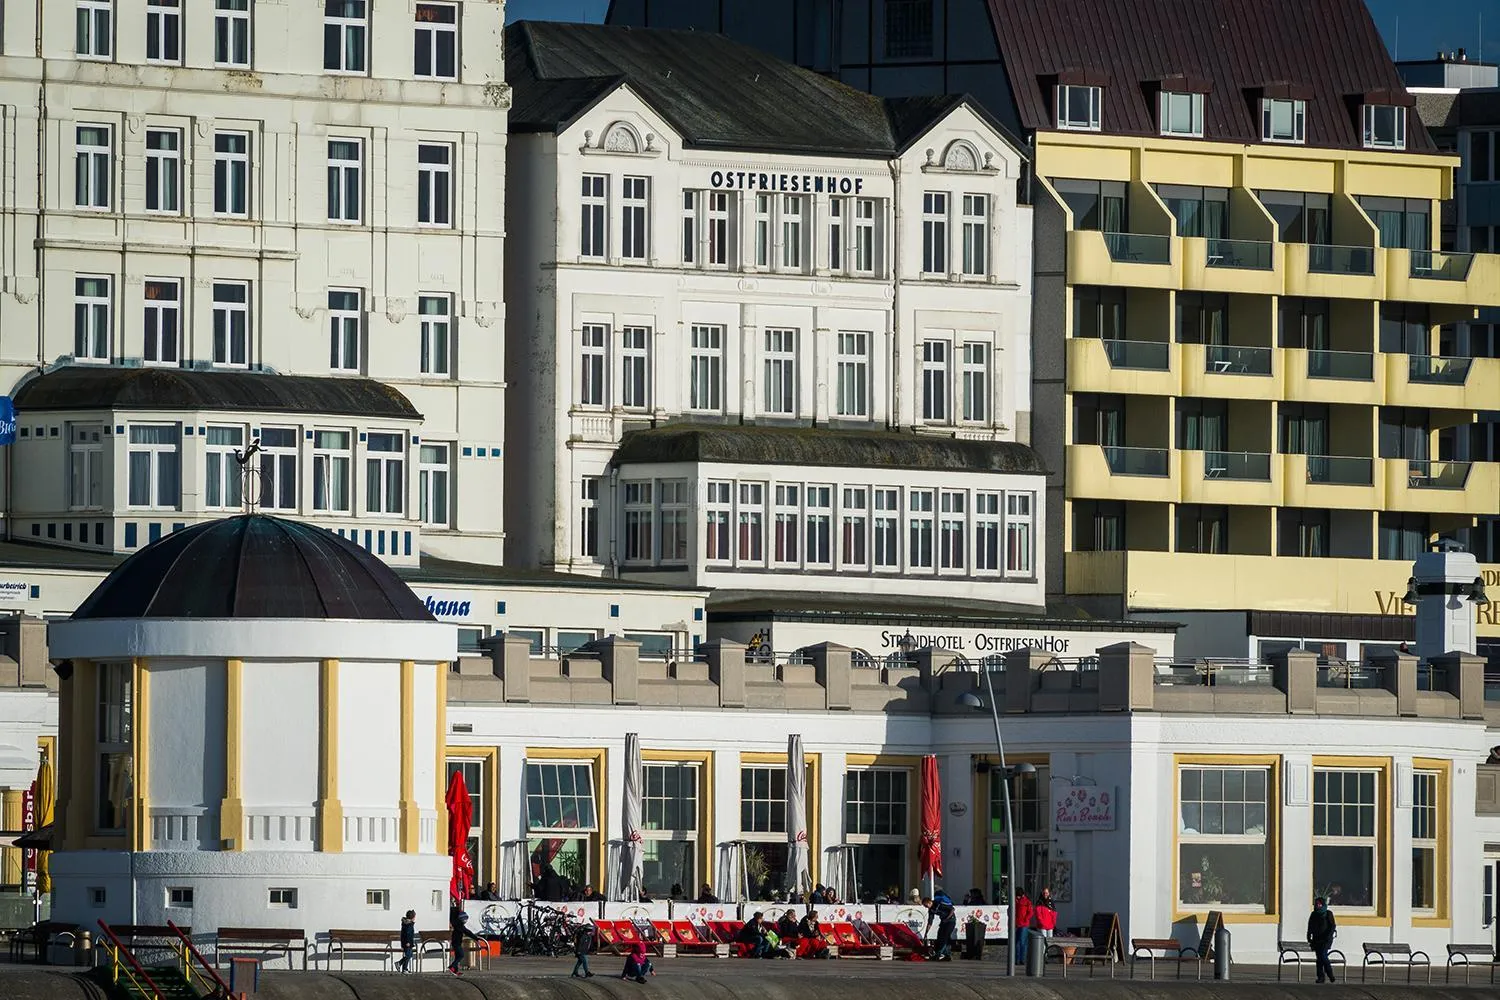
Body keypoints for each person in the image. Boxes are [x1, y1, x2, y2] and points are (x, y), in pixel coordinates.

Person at [1307, 896, 1338, 984]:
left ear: (1323, 904)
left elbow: (1332, 926)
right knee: (1319, 958)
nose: (1317, 906)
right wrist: (1309, 936)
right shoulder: (1313, 914)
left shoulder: (1328, 913)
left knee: (1323, 956)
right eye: (1316, 904)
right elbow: (1310, 926)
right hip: (1316, 939)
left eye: (1319, 904)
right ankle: (1320, 977)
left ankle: (1330, 973)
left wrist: (1329, 936)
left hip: (1326, 939)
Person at [447, 904, 481, 976]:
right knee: (461, 955)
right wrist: (476, 938)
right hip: (457, 943)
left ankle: (455, 970)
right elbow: (467, 932)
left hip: (455, 942)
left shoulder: (457, 924)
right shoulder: (460, 926)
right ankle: (452, 966)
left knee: (457, 956)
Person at [924, 891, 957, 961]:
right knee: (939, 936)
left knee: (945, 937)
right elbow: (930, 921)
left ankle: (939, 954)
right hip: (943, 922)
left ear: (930, 902)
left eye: (926, 906)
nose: (926, 907)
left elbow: (952, 909)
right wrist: (926, 932)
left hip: (951, 921)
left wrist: (947, 918)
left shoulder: (939, 904)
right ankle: (947, 955)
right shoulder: (931, 910)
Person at [1013, 889, 1034, 965]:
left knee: (1023, 942)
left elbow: (1030, 912)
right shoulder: (1015, 901)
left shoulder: (1026, 901)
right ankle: (1016, 959)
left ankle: (1022, 959)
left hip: (1024, 924)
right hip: (1016, 923)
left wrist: (1026, 919)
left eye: (1018, 896)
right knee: (1016, 942)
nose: (1017, 897)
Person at [397, 909, 417, 973]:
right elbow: (408, 933)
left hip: (406, 942)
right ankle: (402, 967)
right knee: (408, 955)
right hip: (407, 942)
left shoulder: (406, 923)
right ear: (412, 917)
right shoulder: (409, 924)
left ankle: (403, 967)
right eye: (414, 917)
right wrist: (408, 942)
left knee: (409, 955)